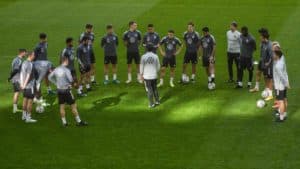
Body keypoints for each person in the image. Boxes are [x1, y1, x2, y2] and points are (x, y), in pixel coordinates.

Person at [48, 56, 88, 127]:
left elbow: (49, 77)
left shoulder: (56, 69)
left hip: (59, 90)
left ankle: (64, 123)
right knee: (73, 106)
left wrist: (56, 83)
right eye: (67, 61)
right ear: (65, 61)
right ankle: (79, 122)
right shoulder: (66, 70)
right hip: (66, 90)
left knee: (62, 106)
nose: (68, 62)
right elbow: (70, 80)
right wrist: (74, 83)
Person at [250, 28, 274, 101]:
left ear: (264, 38)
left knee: (269, 78)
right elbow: (261, 52)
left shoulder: (270, 45)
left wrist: (268, 63)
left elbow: (272, 56)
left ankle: (270, 94)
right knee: (258, 73)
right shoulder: (262, 43)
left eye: (261, 37)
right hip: (262, 62)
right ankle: (256, 88)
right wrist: (260, 60)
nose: (260, 38)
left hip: (268, 64)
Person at [140, 44, 161, 108]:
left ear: (146, 49)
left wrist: (141, 74)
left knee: (149, 89)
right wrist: (155, 72)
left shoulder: (143, 56)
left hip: (147, 76)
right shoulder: (155, 56)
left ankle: (151, 104)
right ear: (152, 49)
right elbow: (158, 66)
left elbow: (141, 66)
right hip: (154, 75)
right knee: (155, 88)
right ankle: (157, 101)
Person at [272, 50, 290, 122]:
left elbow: (282, 76)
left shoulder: (278, 66)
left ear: (277, 56)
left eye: (274, 54)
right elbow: (285, 73)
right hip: (283, 85)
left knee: (280, 101)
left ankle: (281, 118)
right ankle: (284, 114)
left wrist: (286, 83)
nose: (273, 55)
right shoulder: (282, 61)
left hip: (279, 86)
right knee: (284, 99)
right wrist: (287, 83)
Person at [20, 51, 37, 123]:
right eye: (33, 55)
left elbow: (21, 74)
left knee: (25, 100)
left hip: (24, 86)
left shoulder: (24, 62)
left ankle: (23, 116)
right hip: (30, 86)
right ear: (30, 56)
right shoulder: (30, 64)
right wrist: (24, 84)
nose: (34, 56)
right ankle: (28, 118)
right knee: (30, 102)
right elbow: (28, 75)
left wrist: (21, 84)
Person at [8, 49, 27, 113]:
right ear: (21, 53)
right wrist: (10, 77)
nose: (26, 54)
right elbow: (15, 70)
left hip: (15, 79)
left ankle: (15, 108)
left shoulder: (16, 59)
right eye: (25, 52)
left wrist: (10, 77)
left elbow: (13, 69)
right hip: (17, 79)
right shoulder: (18, 60)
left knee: (17, 93)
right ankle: (35, 102)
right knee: (25, 91)